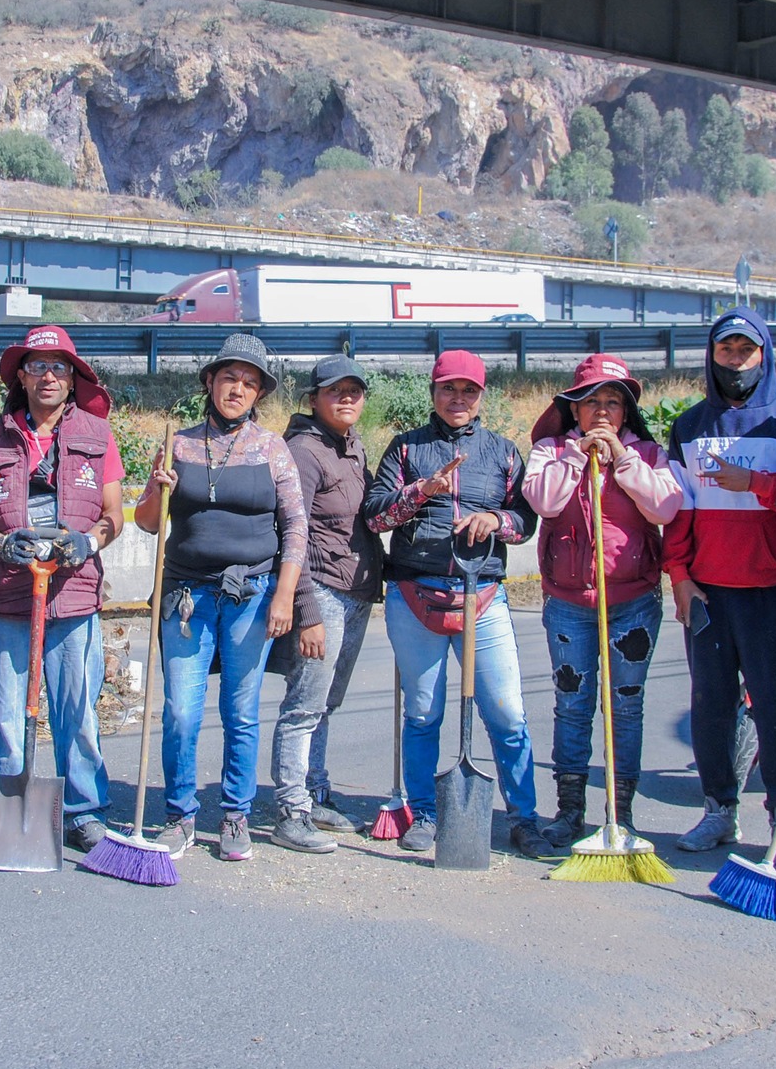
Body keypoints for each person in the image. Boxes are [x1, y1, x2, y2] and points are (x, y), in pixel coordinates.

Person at [363, 350, 551, 859]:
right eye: (449, 389)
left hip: (483, 596)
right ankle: (423, 811)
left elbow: (524, 520)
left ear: (482, 396)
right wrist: (421, 491)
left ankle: (523, 817)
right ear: (433, 392)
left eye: (469, 390)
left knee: (508, 715)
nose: (458, 399)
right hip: (413, 595)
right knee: (423, 714)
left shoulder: (505, 453)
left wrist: (496, 520)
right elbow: (376, 519)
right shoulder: (404, 449)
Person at [136, 334, 308, 862]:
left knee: (240, 708)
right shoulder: (177, 444)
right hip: (186, 596)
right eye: (229, 377)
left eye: (250, 382)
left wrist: (284, 596)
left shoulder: (272, 448)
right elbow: (147, 522)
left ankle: (236, 813)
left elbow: (296, 526)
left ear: (259, 393)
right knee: (181, 711)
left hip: (251, 595)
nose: (238, 388)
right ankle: (179, 816)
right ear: (210, 382)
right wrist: (155, 489)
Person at [0, 325, 126, 856]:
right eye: (38, 366)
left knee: (76, 712)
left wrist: (87, 542)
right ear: (22, 377)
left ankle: (82, 810)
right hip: (11, 597)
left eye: (60, 367)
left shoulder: (98, 436)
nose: (49, 376)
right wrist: (0, 545)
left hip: (74, 597)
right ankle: (8, 807)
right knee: (10, 712)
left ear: (75, 378)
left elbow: (113, 515)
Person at [664, 310, 776, 863]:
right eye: (725, 350)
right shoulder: (690, 425)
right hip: (707, 593)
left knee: (775, 708)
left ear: (764, 355)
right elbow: (677, 512)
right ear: (712, 356)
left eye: (745, 351)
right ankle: (719, 811)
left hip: (771, 588)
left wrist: (756, 483)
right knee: (711, 706)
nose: (735, 361)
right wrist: (679, 577)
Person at [522, 355, 682, 847]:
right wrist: (577, 457)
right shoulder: (550, 451)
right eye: (592, 402)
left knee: (624, 710)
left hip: (632, 601)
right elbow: (543, 503)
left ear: (627, 410)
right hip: (570, 603)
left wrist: (624, 460)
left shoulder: (648, 452)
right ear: (574, 410)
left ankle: (620, 812)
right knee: (572, 706)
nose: (603, 412)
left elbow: (666, 506)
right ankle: (570, 812)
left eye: (613, 402)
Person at [268, 356, 384, 854]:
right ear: (313, 398)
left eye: (355, 391)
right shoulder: (303, 450)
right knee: (304, 706)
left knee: (326, 705)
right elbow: (291, 533)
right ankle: (291, 811)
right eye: (336, 391)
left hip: (356, 593)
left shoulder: (352, 445)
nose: (347, 399)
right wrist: (307, 612)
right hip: (322, 595)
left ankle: (315, 793)